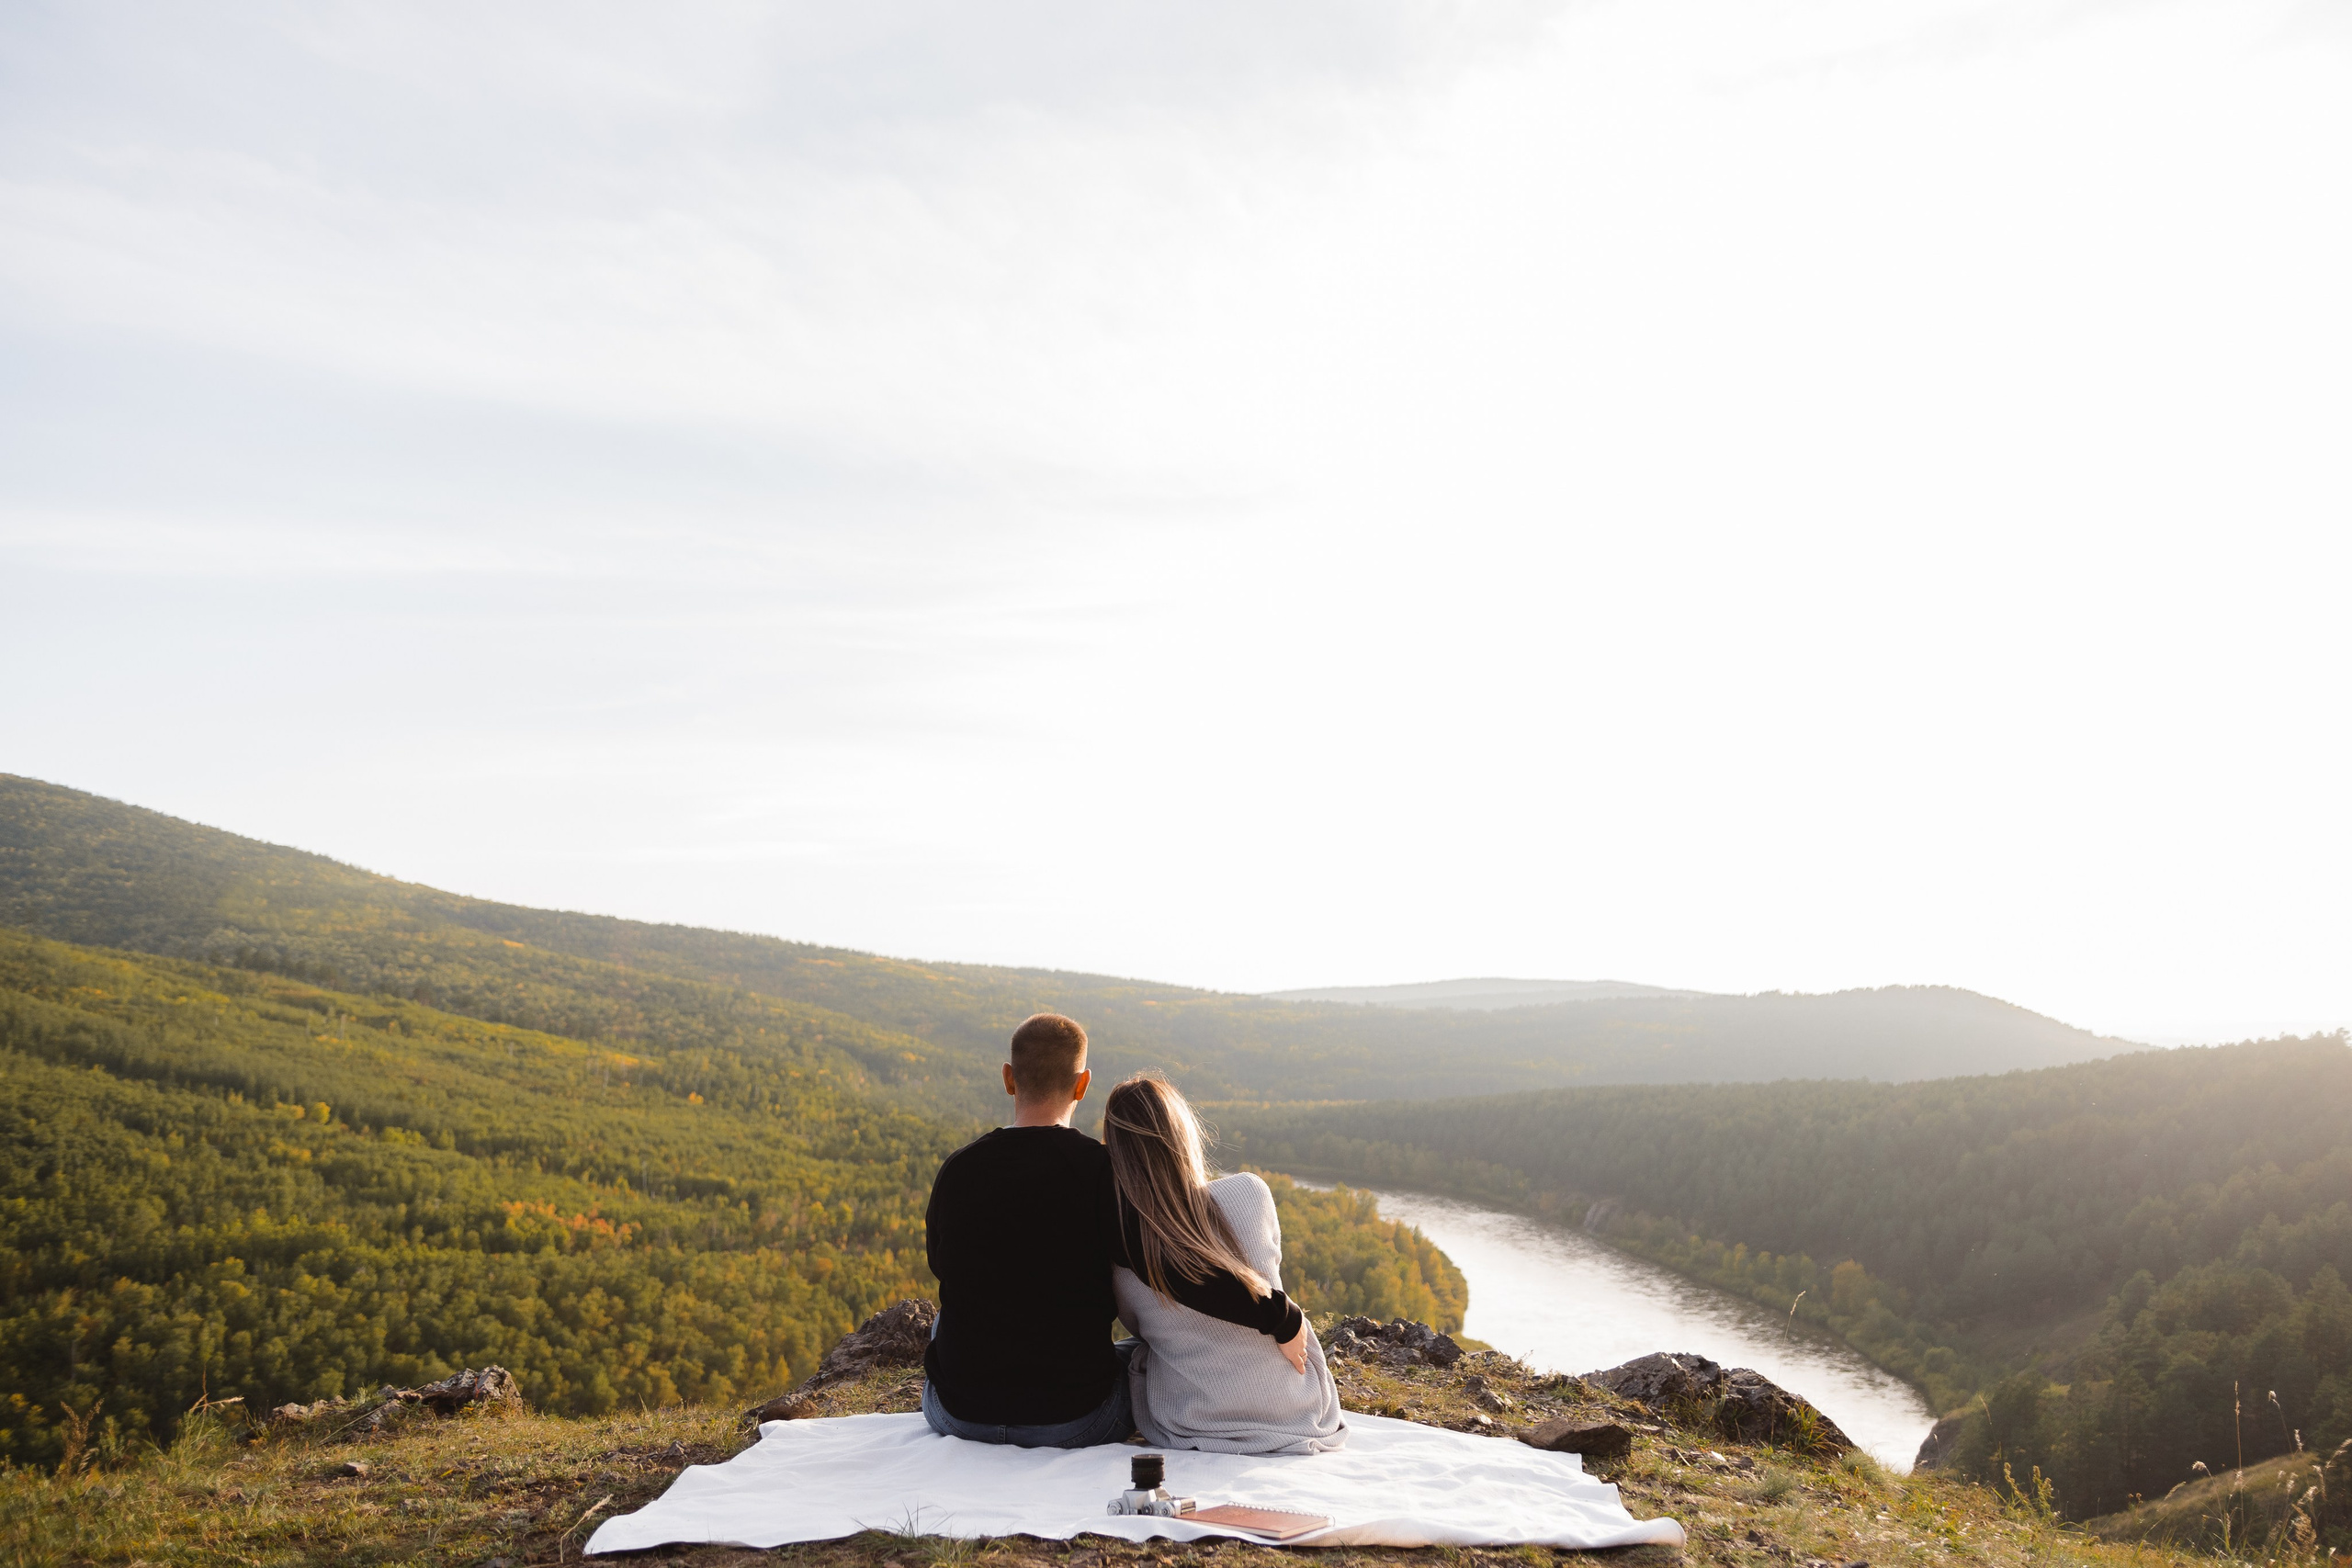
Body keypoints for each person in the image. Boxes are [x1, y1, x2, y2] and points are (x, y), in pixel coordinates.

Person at [922, 1013, 1309, 1447]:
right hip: (1073, 1421)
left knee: (944, 1321)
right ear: (1082, 1085)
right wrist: (1279, 1316)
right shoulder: (1103, 1173)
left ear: (1009, 1078)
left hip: (958, 1414)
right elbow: (1173, 1268)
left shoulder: (957, 1169)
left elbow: (942, 1266)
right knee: (1141, 1357)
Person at [1104, 1072, 1348, 1454]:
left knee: (1139, 1345)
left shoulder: (1121, 1253)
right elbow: (1270, 1274)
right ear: (1183, 1136)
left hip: (1195, 1420)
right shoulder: (1249, 1192)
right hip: (1296, 1406)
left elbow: (1139, 1327)